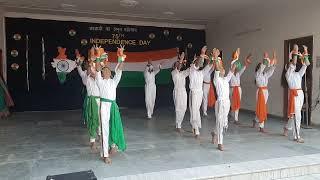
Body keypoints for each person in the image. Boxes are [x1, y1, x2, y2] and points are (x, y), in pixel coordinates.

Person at [95, 48, 126, 164]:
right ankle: (105, 154)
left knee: (114, 126)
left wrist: (121, 57)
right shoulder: (100, 81)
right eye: (105, 70)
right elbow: (97, 68)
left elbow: (120, 69)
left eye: (108, 70)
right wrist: (98, 56)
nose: (107, 71)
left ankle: (113, 145)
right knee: (104, 129)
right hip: (104, 106)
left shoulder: (114, 81)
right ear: (103, 73)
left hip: (113, 106)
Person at [283, 45, 310, 143]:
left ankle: (286, 128)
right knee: (297, 115)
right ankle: (296, 136)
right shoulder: (288, 74)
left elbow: (306, 64)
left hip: (300, 94)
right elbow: (293, 63)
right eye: (290, 66)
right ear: (288, 67)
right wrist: (295, 50)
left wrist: (305, 52)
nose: (292, 66)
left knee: (294, 114)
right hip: (294, 95)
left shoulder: (298, 74)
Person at [75, 49, 101, 151]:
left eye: (90, 65)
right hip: (91, 100)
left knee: (100, 120)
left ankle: (100, 135)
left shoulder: (98, 76)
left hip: (100, 101)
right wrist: (78, 60)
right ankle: (92, 140)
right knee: (92, 120)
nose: (90, 67)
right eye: (88, 66)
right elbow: (79, 68)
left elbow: (98, 72)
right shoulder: (85, 76)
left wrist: (95, 59)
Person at [189, 46, 213, 138]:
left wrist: (212, 58)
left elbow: (209, 65)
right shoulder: (192, 69)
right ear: (194, 62)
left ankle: (194, 125)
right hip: (194, 93)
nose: (201, 63)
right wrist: (202, 53)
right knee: (194, 110)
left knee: (196, 110)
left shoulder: (201, 72)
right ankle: (196, 129)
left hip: (200, 93)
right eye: (199, 61)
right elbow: (198, 63)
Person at [211, 59, 236, 151]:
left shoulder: (226, 79)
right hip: (220, 103)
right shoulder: (216, 79)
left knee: (221, 121)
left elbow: (232, 71)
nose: (222, 69)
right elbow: (217, 69)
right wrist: (216, 58)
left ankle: (214, 132)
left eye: (223, 68)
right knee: (220, 122)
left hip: (227, 103)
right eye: (221, 68)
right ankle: (220, 143)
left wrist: (236, 59)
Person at [253, 51, 277, 132]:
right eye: (261, 66)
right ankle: (261, 127)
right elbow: (262, 67)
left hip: (265, 92)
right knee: (261, 107)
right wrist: (265, 58)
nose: (262, 67)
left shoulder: (265, 74)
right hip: (260, 92)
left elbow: (271, 71)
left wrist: (274, 63)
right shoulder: (257, 74)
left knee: (262, 107)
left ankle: (256, 119)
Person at [230, 49, 252, 124]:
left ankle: (236, 119)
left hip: (238, 89)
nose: (236, 67)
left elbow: (244, 67)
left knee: (238, 103)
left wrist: (247, 59)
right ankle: (232, 115)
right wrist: (237, 56)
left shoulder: (238, 73)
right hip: (233, 89)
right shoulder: (231, 72)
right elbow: (234, 63)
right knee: (232, 103)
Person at [171, 52, 189, 133]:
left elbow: (189, 70)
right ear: (174, 66)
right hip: (177, 91)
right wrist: (181, 59)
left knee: (184, 108)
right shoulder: (173, 73)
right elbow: (178, 67)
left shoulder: (182, 73)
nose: (179, 65)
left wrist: (194, 62)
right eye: (177, 64)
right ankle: (178, 126)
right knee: (178, 108)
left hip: (183, 91)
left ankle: (179, 123)